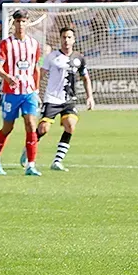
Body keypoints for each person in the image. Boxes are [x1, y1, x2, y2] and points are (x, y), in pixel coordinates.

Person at [0, 10, 42, 176]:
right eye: (18, 21)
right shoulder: (6, 44)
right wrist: (7, 77)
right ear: (14, 23)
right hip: (11, 92)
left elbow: (36, 68)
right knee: (7, 127)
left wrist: (37, 89)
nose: (20, 24)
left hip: (29, 92)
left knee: (31, 125)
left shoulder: (34, 44)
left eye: (23, 21)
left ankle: (31, 165)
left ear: (27, 23)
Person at [36, 28, 95, 172]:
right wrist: (35, 92)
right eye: (64, 37)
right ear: (60, 39)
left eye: (69, 37)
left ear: (74, 40)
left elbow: (85, 77)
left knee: (70, 125)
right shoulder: (51, 57)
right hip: (52, 98)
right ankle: (29, 148)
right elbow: (41, 74)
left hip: (69, 100)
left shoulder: (79, 58)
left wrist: (90, 97)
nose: (66, 40)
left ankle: (57, 161)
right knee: (43, 129)